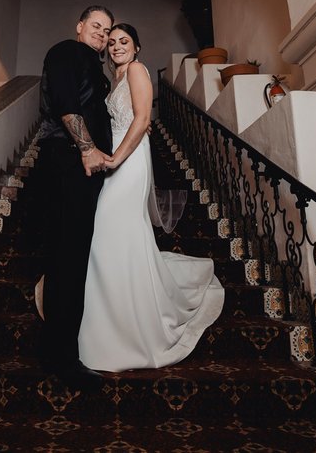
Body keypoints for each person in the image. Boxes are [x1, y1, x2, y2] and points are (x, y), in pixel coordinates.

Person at [78, 23, 225, 372]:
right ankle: (109, 317)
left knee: (110, 228)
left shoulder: (138, 71)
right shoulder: (115, 79)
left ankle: (129, 325)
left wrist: (116, 158)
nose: (116, 47)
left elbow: (143, 120)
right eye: (111, 42)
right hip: (115, 155)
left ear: (137, 47)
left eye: (124, 41)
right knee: (112, 235)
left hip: (129, 161)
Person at [34, 5, 114, 388]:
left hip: (78, 165)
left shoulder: (90, 62)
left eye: (107, 29)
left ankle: (56, 353)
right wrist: (86, 148)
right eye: (95, 25)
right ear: (79, 26)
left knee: (69, 256)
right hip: (70, 161)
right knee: (68, 258)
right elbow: (66, 103)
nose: (102, 32)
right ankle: (64, 360)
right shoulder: (67, 50)